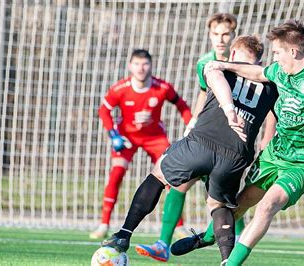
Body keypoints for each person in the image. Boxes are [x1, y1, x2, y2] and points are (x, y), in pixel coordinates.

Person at [179, 20, 304, 265]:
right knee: (241, 202)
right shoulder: (279, 71)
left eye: (277, 51)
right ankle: (209, 236)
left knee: (267, 205)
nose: (273, 56)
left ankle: (230, 263)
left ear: (293, 52)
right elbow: (256, 72)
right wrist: (222, 65)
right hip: (276, 154)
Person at [100, 35, 278, 265]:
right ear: (259, 61)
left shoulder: (218, 66)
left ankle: (124, 234)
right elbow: (277, 115)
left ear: (233, 55)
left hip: (201, 142)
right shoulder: (271, 85)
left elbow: (214, 77)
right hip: (235, 155)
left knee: (158, 175)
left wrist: (228, 108)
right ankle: (227, 260)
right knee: (219, 205)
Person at [136, 13, 262, 262]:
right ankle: (163, 243)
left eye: (225, 34)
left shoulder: (248, 64)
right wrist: (193, 122)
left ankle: (232, 253)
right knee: (180, 184)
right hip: (207, 137)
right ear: (209, 35)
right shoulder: (205, 61)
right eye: (215, 34)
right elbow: (206, 94)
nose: (220, 39)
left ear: (234, 36)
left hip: (233, 144)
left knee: (227, 203)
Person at [89, 49, 192, 239]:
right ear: (130, 66)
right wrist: (113, 134)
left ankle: (179, 226)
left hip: (155, 138)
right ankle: (103, 224)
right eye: (136, 64)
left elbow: (182, 106)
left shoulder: (162, 88)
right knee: (117, 173)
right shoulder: (120, 88)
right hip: (127, 138)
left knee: (171, 178)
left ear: (151, 66)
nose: (141, 68)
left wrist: (190, 125)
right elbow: (104, 110)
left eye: (145, 64)